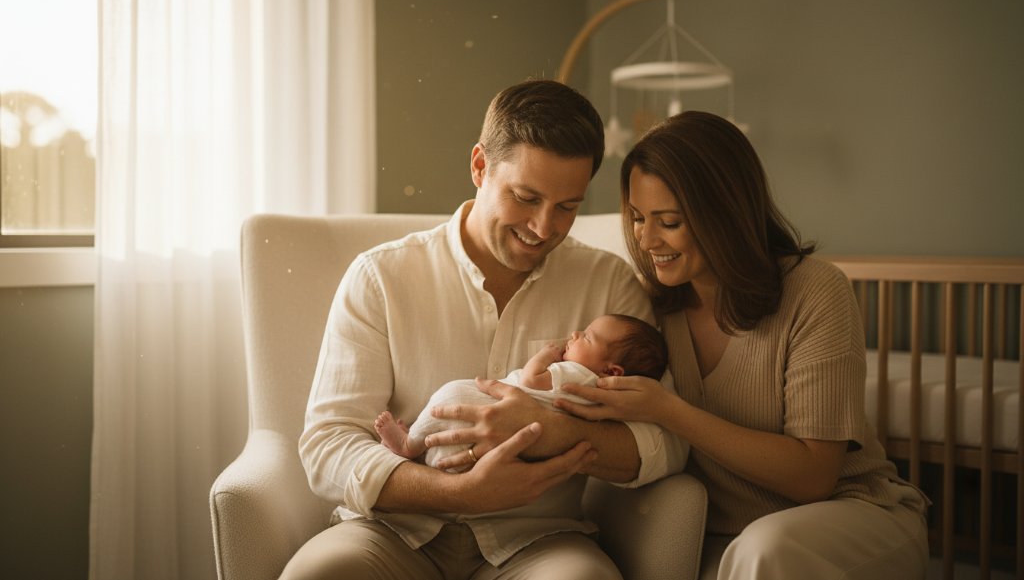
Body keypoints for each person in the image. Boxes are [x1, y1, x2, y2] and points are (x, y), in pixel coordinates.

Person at [284, 80, 685, 580]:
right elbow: (328, 446)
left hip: (538, 542)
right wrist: (458, 493)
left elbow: (666, 442)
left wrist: (557, 433)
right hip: (393, 532)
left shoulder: (609, 286)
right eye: (525, 197)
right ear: (479, 166)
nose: (543, 228)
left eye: (567, 207)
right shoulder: (381, 277)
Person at [555, 111, 930, 579]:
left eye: (668, 221)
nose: (647, 240)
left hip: (848, 513)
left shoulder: (814, 292)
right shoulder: (652, 312)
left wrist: (669, 410)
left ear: (725, 214)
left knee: (762, 551)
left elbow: (813, 477)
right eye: (636, 218)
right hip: (721, 536)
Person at [375, 313, 669, 471]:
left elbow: (531, 380)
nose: (575, 334)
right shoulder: (603, 397)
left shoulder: (575, 374)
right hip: (496, 453)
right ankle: (416, 448)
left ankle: (409, 446)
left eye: (587, 337)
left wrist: (544, 356)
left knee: (450, 394)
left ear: (612, 370)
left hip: (478, 414)